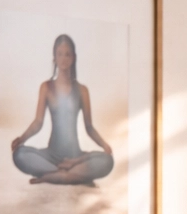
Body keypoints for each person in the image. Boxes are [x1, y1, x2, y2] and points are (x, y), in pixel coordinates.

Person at [10, 34, 115, 185]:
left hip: (75, 157)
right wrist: (22, 139)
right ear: (54, 58)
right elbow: (38, 122)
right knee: (19, 154)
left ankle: (54, 175)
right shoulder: (46, 87)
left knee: (107, 161)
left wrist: (103, 144)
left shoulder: (82, 90)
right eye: (59, 54)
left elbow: (89, 126)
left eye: (67, 54)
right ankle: (72, 176)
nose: (63, 58)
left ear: (74, 57)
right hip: (51, 156)